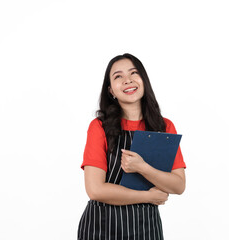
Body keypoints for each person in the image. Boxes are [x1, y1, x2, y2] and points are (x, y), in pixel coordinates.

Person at [77, 53, 186, 240]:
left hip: (147, 228)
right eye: (118, 76)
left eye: (133, 73)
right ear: (111, 90)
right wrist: (148, 197)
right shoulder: (99, 127)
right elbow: (95, 189)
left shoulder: (164, 127)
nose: (127, 80)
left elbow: (178, 185)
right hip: (101, 227)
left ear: (143, 80)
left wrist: (142, 168)